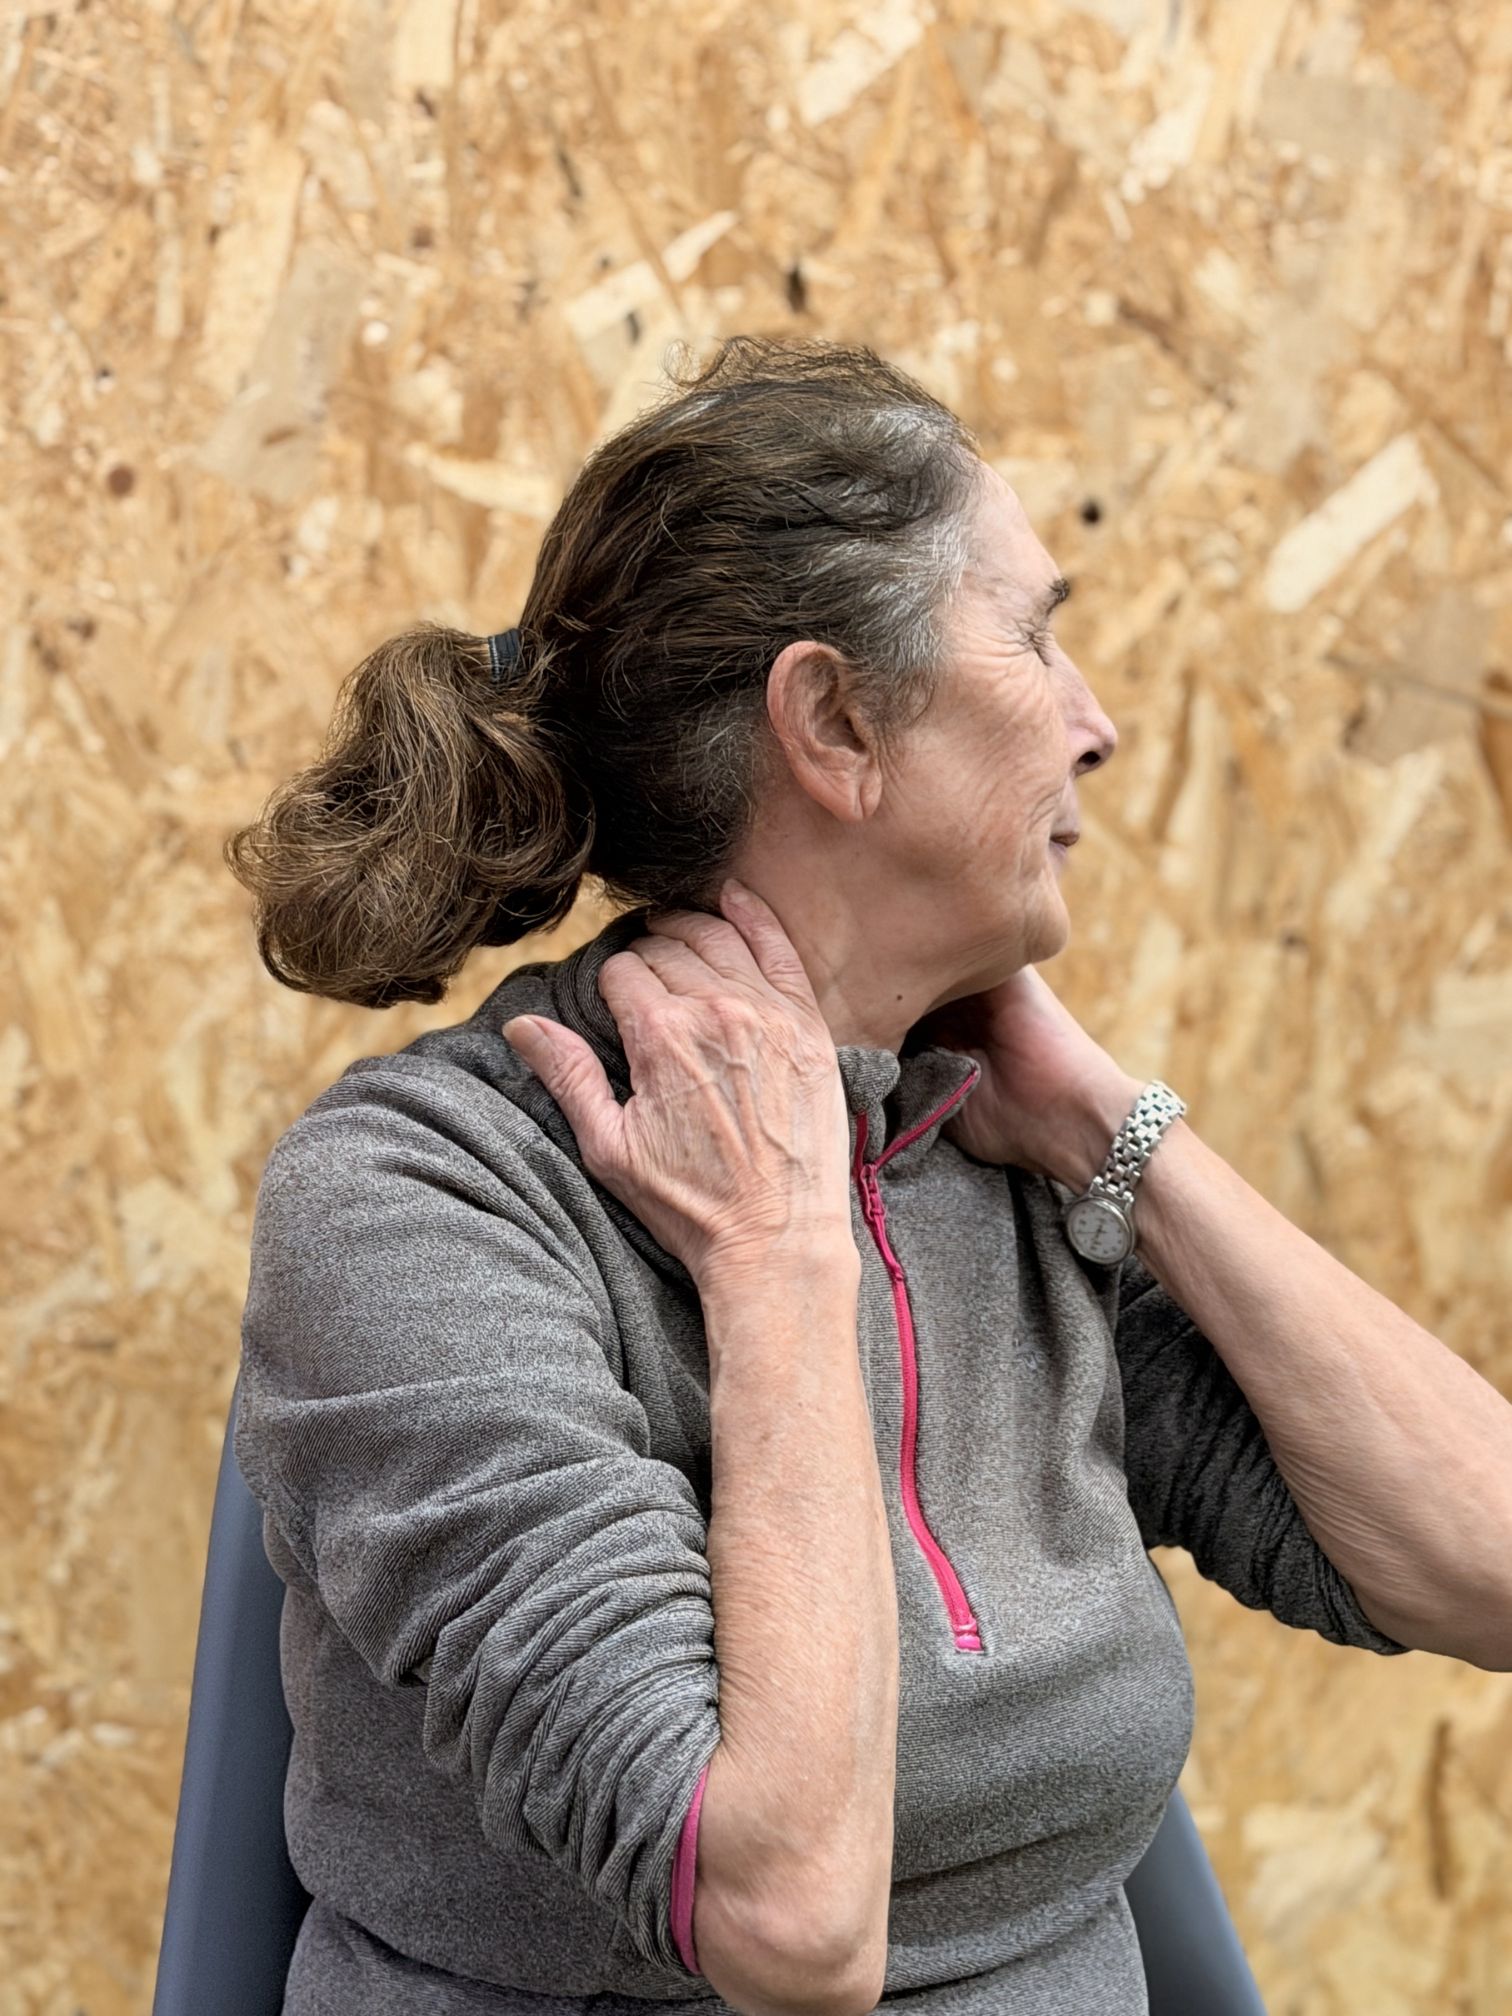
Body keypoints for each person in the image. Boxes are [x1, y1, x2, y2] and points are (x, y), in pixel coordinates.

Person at [228, 334, 1498, 2016]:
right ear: (833, 722)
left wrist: (1115, 1128)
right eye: (1038, 636)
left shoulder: (985, 1127)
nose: (1096, 723)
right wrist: (777, 1258)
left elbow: (1485, 1564)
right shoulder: (418, 1201)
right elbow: (790, 1922)